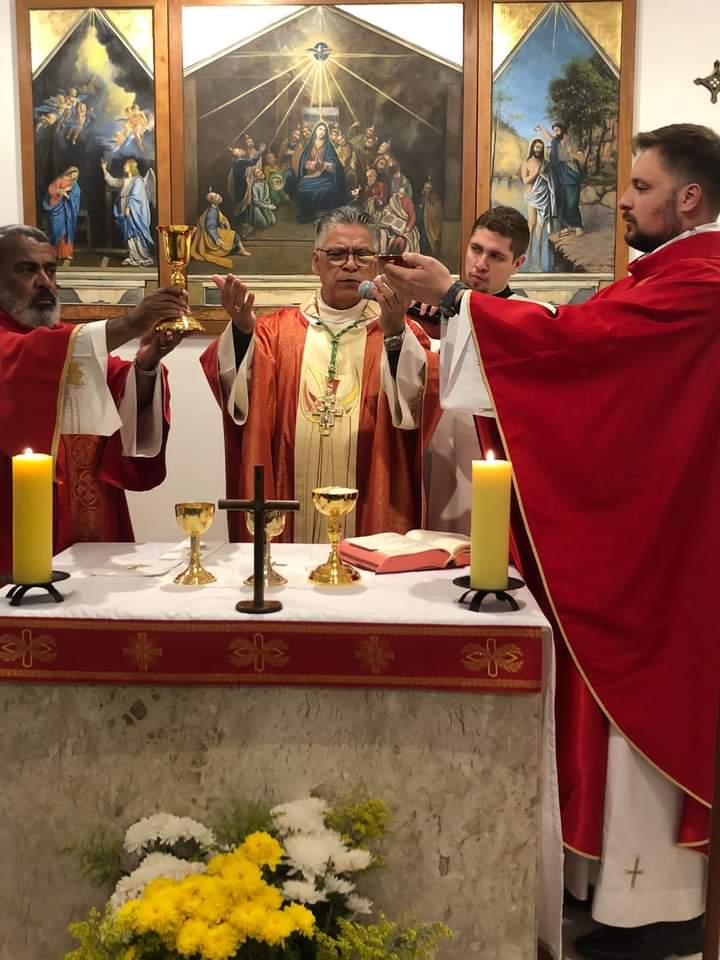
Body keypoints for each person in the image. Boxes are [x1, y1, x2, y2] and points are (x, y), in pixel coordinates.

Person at [383, 122, 720, 960]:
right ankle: (599, 882)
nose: (625, 205)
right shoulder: (671, 275)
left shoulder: (704, 279)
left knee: (639, 682)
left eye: (639, 189)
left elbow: (582, 350)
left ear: (688, 197)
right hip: (651, 521)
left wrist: (458, 301)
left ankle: (650, 905)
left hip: (665, 544)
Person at [200, 205, 439, 543]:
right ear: (316, 261)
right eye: (337, 254)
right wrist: (241, 333)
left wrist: (396, 332)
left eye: (362, 254)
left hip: (370, 494)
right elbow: (238, 399)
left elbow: (416, 409)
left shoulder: (398, 327)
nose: (351, 265)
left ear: (376, 263)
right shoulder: (275, 332)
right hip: (290, 491)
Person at [0, 224, 186, 572]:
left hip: (96, 530)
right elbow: (33, 356)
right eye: (27, 269)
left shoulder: (69, 345)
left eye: (50, 269)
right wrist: (130, 324)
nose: (44, 281)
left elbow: (117, 384)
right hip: (16, 534)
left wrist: (145, 364)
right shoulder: (28, 345)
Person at [423, 206, 528, 535]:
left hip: (490, 458)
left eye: (496, 256)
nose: (480, 264)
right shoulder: (433, 307)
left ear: (518, 264)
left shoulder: (526, 320)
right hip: (436, 453)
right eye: (476, 249)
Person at [100, 158, 155, 266]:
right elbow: (113, 181)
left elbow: (135, 196)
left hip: (135, 212)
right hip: (125, 209)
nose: (124, 167)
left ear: (131, 167)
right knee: (129, 235)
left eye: (126, 165)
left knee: (136, 233)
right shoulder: (126, 180)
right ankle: (132, 256)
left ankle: (143, 256)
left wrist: (129, 208)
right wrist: (104, 169)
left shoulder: (138, 180)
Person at [292, 122, 346, 223]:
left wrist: (324, 165)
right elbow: (303, 162)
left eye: (324, 130)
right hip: (310, 175)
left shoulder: (328, 146)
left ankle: (323, 214)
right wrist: (312, 164)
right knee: (302, 189)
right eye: (320, 129)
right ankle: (308, 214)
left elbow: (335, 164)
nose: (322, 132)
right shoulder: (309, 146)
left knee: (327, 189)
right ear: (315, 130)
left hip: (325, 176)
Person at [192, 190, 250, 268]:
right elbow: (210, 227)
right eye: (216, 196)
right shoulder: (212, 212)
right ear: (213, 201)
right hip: (210, 237)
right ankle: (242, 251)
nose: (218, 196)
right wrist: (217, 239)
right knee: (233, 234)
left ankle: (238, 250)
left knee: (230, 235)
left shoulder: (215, 208)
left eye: (217, 194)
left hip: (216, 231)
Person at [521, 138, 556, 265]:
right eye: (536, 147)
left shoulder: (546, 164)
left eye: (540, 148)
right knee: (532, 223)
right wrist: (536, 173)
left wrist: (545, 176)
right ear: (532, 148)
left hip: (544, 196)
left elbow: (551, 179)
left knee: (541, 225)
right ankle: (529, 250)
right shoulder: (526, 163)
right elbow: (525, 181)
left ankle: (539, 253)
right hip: (532, 196)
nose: (538, 150)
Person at [42, 166, 81, 261]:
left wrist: (69, 196)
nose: (74, 177)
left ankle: (65, 253)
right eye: (73, 174)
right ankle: (54, 253)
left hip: (66, 209)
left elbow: (76, 194)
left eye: (76, 175)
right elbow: (51, 189)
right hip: (56, 207)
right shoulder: (59, 180)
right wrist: (61, 192)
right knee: (56, 231)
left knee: (66, 231)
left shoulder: (74, 184)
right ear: (69, 172)